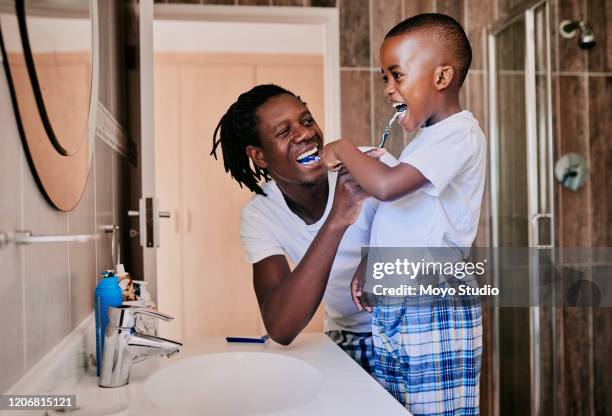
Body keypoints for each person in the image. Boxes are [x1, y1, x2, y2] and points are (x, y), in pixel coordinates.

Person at [320, 14, 486, 415]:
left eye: (396, 76)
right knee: (397, 406)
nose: (388, 89)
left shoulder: (459, 133)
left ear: (442, 77)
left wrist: (344, 149)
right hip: (401, 297)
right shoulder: (424, 142)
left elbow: (387, 188)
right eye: (384, 79)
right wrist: (371, 263)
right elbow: (406, 213)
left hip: (433, 300)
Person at [211, 84, 392, 374]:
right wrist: (337, 218)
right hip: (347, 339)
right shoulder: (261, 214)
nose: (306, 133)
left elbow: (439, 249)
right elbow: (281, 327)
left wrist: (379, 259)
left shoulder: (365, 165)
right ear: (259, 156)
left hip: (409, 329)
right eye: (284, 132)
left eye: (307, 121)